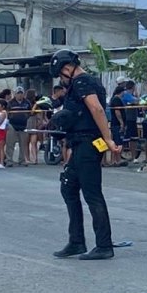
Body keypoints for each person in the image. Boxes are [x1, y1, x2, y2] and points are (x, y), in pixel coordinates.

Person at [50, 49, 120, 261]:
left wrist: (108, 139)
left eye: (61, 75)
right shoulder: (80, 84)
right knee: (68, 187)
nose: (61, 80)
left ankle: (104, 245)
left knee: (92, 193)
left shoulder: (82, 83)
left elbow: (97, 110)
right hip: (80, 143)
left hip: (90, 143)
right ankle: (76, 242)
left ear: (67, 68)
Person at [6, 87, 31, 167]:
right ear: (15, 94)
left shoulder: (27, 102)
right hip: (12, 125)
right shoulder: (10, 102)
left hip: (23, 125)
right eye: (18, 93)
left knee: (23, 144)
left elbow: (30, 112)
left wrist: (26, 117)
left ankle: (22, 160)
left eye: (21, 93)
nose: (20, 95)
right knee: (10, 144)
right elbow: (7, 113)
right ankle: (9, 160)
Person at [25, 88, 42, 164]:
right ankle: (27, 158)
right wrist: (35, 106)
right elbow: (31, 112)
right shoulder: (26, 103)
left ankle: (35, 158)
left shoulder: (36, 103)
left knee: (34, 142)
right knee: (26, 142)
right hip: (28, 120)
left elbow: (39, 113)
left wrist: (39, 121)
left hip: (34, 121)